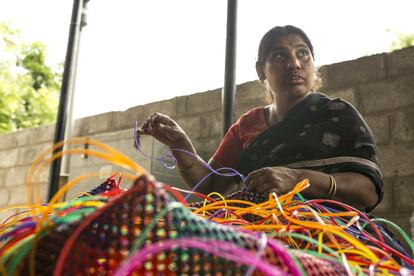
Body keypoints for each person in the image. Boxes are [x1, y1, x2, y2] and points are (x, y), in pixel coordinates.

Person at [138, 25, 383, 212]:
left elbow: (368, 191)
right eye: (280, 56)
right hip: (254, 234)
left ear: (313, 65)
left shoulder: (337, 115)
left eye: (303, 54)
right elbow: (210, 187)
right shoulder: (247, 126)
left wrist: (297, 179)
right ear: (260, 70)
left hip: (323, 236)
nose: (294, 64)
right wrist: (181, 145)